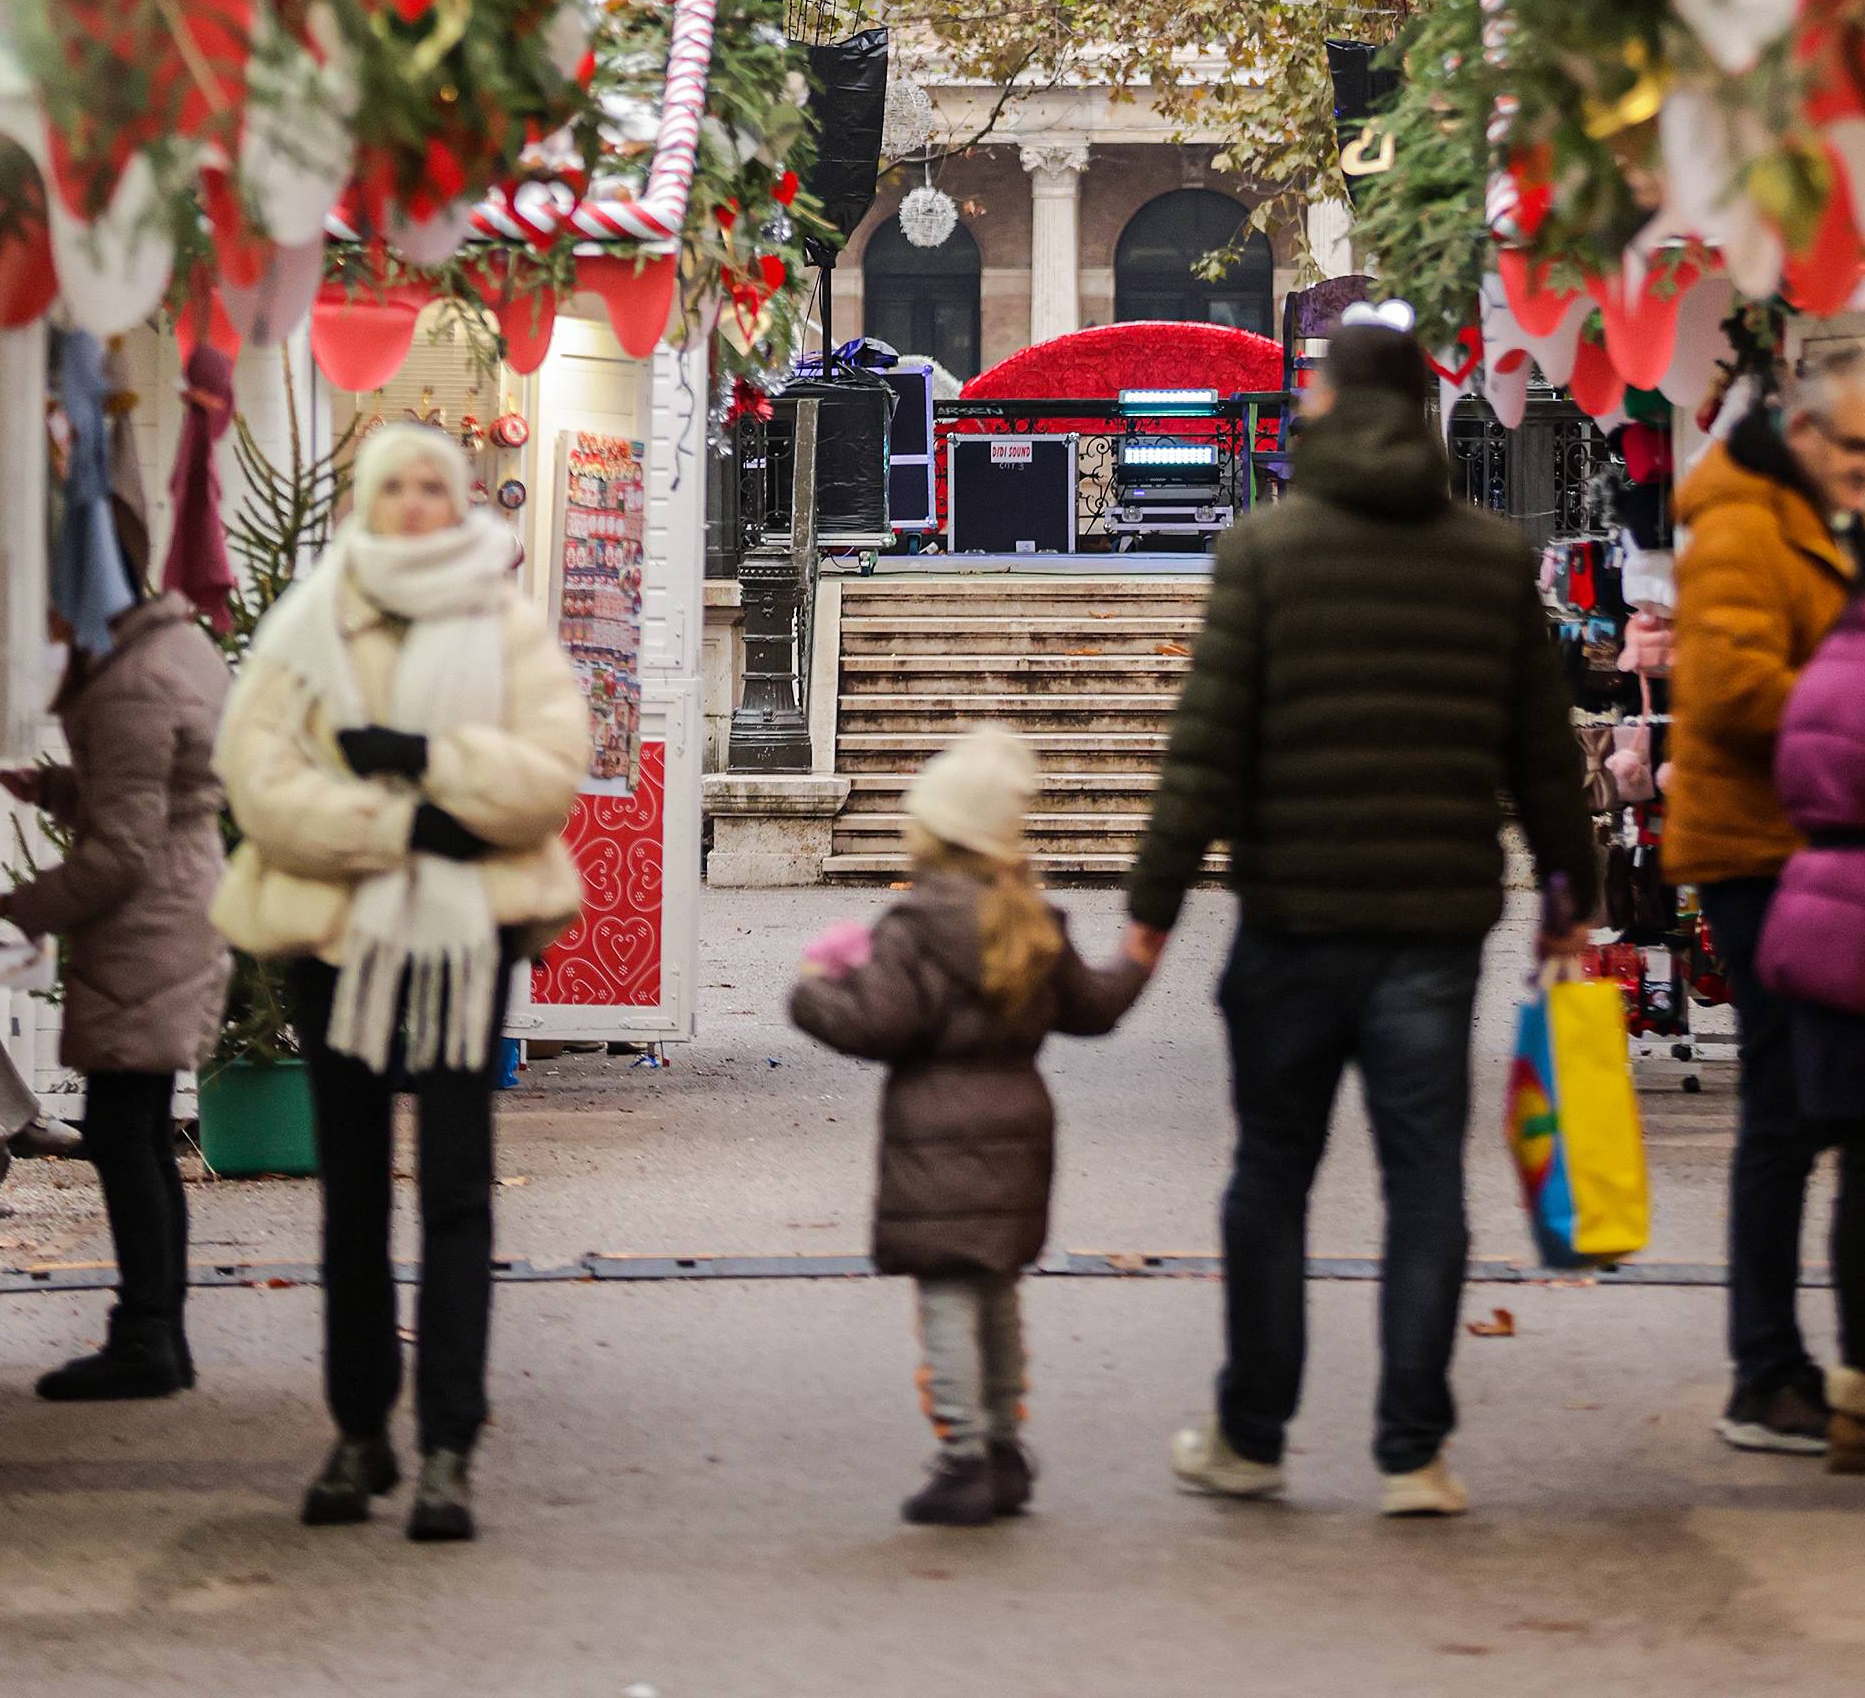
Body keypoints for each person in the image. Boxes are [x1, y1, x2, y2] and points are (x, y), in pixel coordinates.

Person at [1124, 313, 1596, 1520]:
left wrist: (1151, 912)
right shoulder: (1492, 560)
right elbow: (1543, 757)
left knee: (1273, 1173)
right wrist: (1569, 895)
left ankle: (1251, 1434)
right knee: (1425, 1180)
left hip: (1291, 921)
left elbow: (1205, 750)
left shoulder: (1265, 553)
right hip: (1434, 931)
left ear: (1329, 403)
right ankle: (1412, 1451)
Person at [215, 417, 587, 1543]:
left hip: (467, 935)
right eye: (401, 483)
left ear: (462, 496)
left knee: (460, 1194)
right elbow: (258, 772)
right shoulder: (309, 620)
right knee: (354, 1195)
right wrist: (393, 826)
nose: (420, 501)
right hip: (336, 941)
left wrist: (429, 764)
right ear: (370, 498)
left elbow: (550, 767)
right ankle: (360, 1430)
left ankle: (450, 1448)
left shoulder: (504, 618)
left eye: (438, 484)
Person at [787, 723, 1148, 1526]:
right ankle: (1006, 1448)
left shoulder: (913, 930)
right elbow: (1095, 1009)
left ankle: (964, 1457)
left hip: (936, 1136)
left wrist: (814, 986)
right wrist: (1139, 955)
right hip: (1020, 1129)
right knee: (995, 1292)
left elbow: (878, 1025)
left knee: (949, 1295)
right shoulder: (1034, 923)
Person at [0, 333, 230, 1399]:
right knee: (138, 1133)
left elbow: (122, 852)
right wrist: (62, 791)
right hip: (180, 907)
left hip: (149, 927)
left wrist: (4, 908)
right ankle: (153, 1331)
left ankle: (149, 1338)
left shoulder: (126, 681)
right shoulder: (180, 648)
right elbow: (165, 798)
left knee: (127, 1135)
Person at [1663, 342, 1865, 1454]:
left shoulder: (1816, 520)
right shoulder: (1745, 521)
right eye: (1853, 449)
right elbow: (1734, 687)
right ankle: (1766, 1370)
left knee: (1827, 1113)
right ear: (1803, 435)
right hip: (1759, 853)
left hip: (1825, 851)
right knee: (1785, 1113)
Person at [1756, 587, 1865, 1472]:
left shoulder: (1826, 666)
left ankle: (1857, 1398)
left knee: (1858, 1171)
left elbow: (1797, 781)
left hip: (1829, 930)